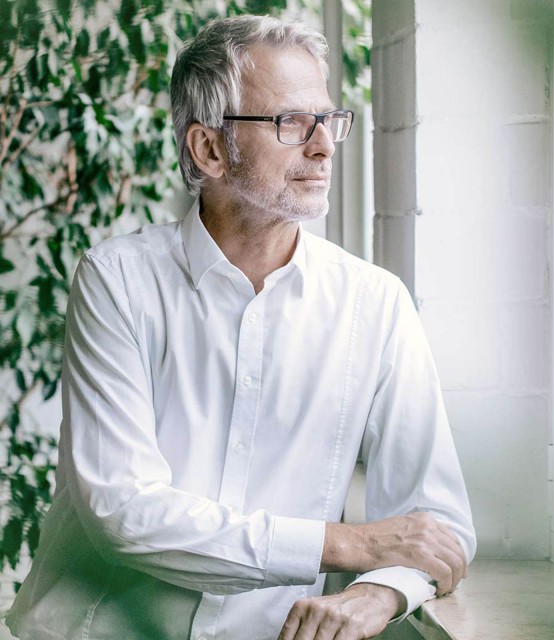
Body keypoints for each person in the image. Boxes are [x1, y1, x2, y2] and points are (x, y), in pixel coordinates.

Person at [7, 14, 475, 640]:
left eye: (328, 120)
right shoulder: (117, 280)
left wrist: (380, 591)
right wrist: (346, 546)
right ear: (208, 149)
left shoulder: (377, 304)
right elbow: (124, 510)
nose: (323, 145)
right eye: (290, 122)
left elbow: (437, 523)